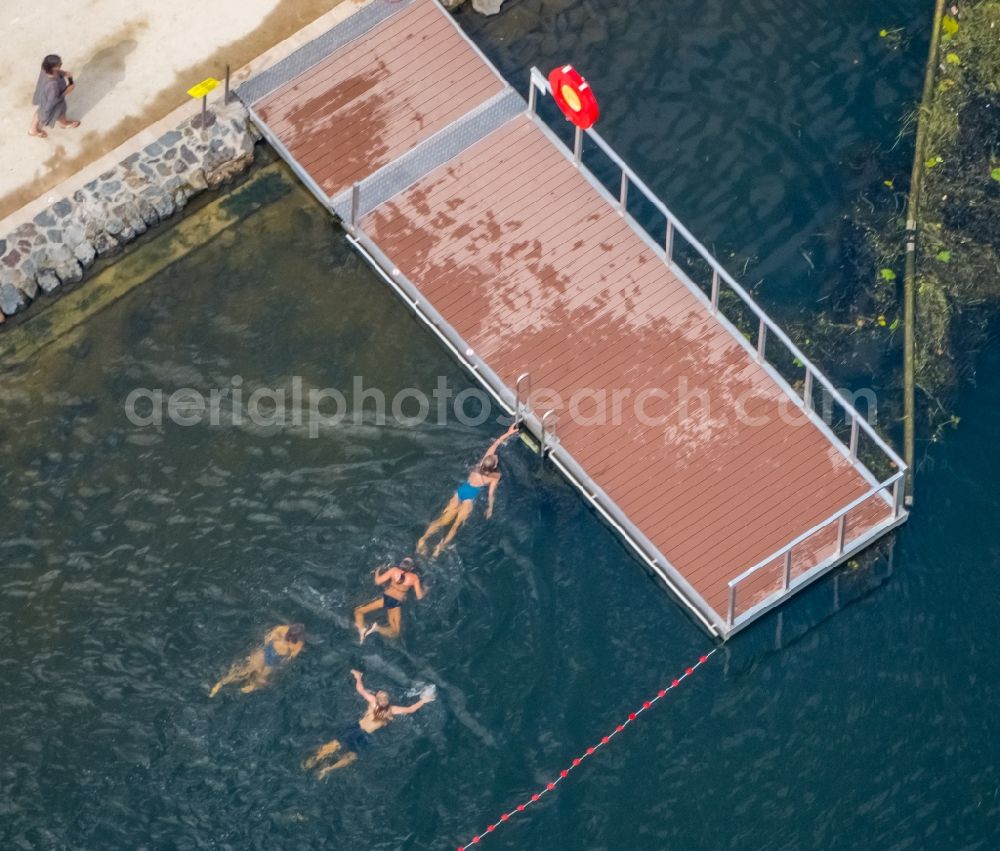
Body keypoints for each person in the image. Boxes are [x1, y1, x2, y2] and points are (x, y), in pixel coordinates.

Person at [303, 669, 434, 777]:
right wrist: (424, 700)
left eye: (384, 695)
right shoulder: (392, 710)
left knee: (336, 745)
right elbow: (410, 709)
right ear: (384, 699)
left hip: (355, 728)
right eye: (383, 695)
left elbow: (360, 690)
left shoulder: (373, 702)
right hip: (364, 735)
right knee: (351, 756)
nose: (384, 697)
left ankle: (318, 762)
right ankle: (326, 770)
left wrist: (358, 677)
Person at [417, 422, 518, 557]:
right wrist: (490, 508)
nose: (496, 458)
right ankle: (438, 549)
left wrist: (509, 432)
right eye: (496, 460)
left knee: (442, 520)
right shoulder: (495, 476)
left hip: (461, 492)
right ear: (494, 466)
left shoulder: (479, 465)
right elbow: (491, 494)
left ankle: (422, 540)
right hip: (470, 498)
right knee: (456, 524)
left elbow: (495, 444)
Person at [209, 623, 305, 697]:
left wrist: (272, 642)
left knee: (250, 671)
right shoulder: (295, 642)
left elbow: (269, 637)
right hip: (272, 655)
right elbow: (290, 656)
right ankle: (248, 686)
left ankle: (221, 684)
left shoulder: (285, 631)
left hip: (271, 653)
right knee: (258, 674)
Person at [353, 557, 426, 643]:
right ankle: (377, 628)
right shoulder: (414, 578)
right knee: (395, 632)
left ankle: (361, 630)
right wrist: (425, 590)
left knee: (358, 611)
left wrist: (377, 572)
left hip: (385, 598)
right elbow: (419, 596)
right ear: (412, 568)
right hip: (395, 603)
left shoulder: (394, 570)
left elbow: (378, 581)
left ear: (401, 564)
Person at [29, 54, 80, 139]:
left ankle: (32, 130)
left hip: (44, 95)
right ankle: (64, 124)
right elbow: (54, 100)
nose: (61, 64)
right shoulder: (53, 85)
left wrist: (63, 73)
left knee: (41, 109)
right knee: (60, 112)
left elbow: (54, 71)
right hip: (52, 100)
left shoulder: (45, 68)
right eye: (59, 64)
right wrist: (68, 90)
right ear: (53, 67)